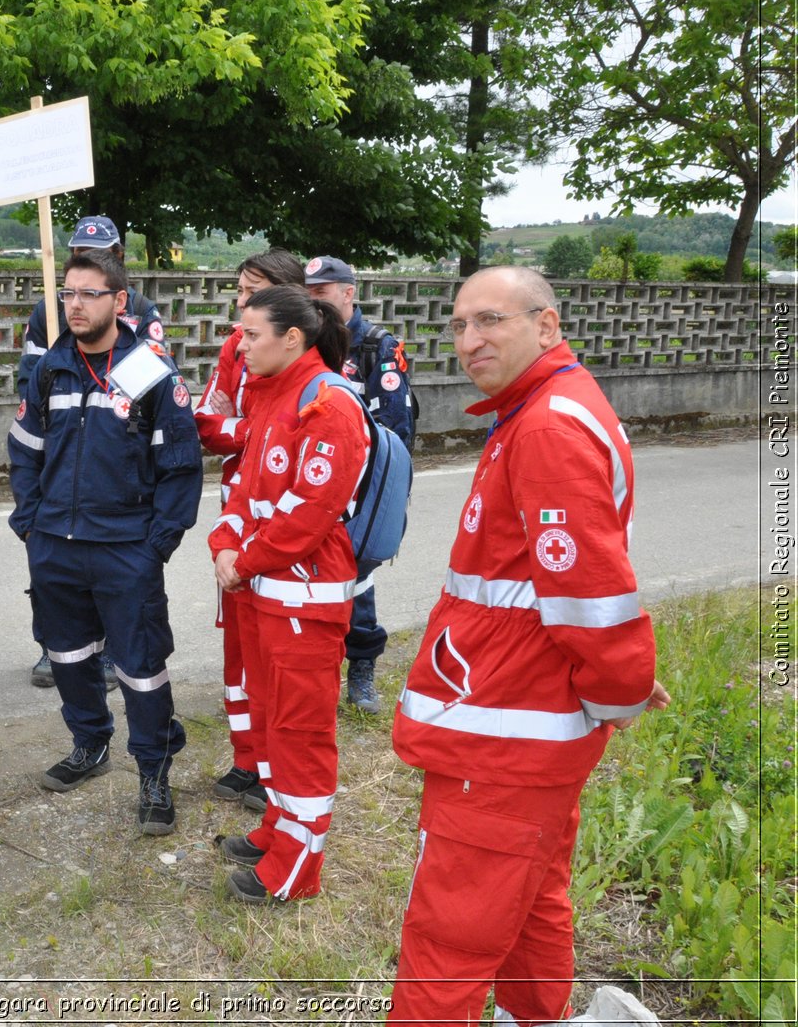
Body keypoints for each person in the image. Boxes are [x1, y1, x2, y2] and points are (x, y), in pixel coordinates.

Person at [386, 266, 668, 1025]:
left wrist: (621, 687)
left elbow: (589, 594)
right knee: (533, 899)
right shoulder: (547, 407)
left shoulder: (545, 424)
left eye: (490, 321)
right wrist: (620, 685)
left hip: (502, 739)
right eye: (457, 326)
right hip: (530, 729)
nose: (468, 340)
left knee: (449, 935)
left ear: (547, 326)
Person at [7, 249, 202, 835]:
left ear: (120, 302)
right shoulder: (51, 368)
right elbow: (25, 453)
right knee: (67, 656)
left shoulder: (149, 372)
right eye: (68, 294)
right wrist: (31, 525)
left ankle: (154, 771)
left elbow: (180, 467)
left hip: (125, 549)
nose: (75, 305)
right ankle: (89, 745)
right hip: (56, 547)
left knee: (141, 668)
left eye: (89, 294)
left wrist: (155, 547)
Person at [209, 285, 368, 903]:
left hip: (302, 598)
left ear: (292, 338)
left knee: (301, 732)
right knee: (274, 722)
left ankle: (298, 867)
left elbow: (309, 514)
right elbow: (245, 492)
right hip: (260, 589)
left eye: (250, 334)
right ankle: (280, 826)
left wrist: (240, 559)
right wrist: (224, 543)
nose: (239, 346)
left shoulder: (327, 406)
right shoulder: (276, 398)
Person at [19, 215, 163, 690]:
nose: (91, 259)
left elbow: (153, 375)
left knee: (114, 579)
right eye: (80, 252)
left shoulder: (141, 308)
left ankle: (109, 657)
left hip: (117, 446)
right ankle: (52, 645)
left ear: (121, 257)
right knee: (56, 574)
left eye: (104, 253)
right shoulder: (48, 309)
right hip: (59, 440)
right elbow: (31, 375)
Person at [192, 249, 305, 811]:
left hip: (284, 528)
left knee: (274, 652)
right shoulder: (233, 348)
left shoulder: (311, 366)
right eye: (239, 291)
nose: (240, 303)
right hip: (236, 516)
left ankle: (273, 767)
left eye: (252, 291)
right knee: (237, 647)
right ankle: (246, 759)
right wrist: (255, 434)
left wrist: (262, 433)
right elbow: (208, 423)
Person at [304, 255, 415, 713]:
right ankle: (316, 673)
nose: (314, 300)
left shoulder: (375, 347)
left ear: (348, 293)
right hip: (313, 482)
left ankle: (362, 667)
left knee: (358, 581)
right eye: (307, 293)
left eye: (322, 292)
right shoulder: (303, 342)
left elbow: (394, 429)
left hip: (360, 489)